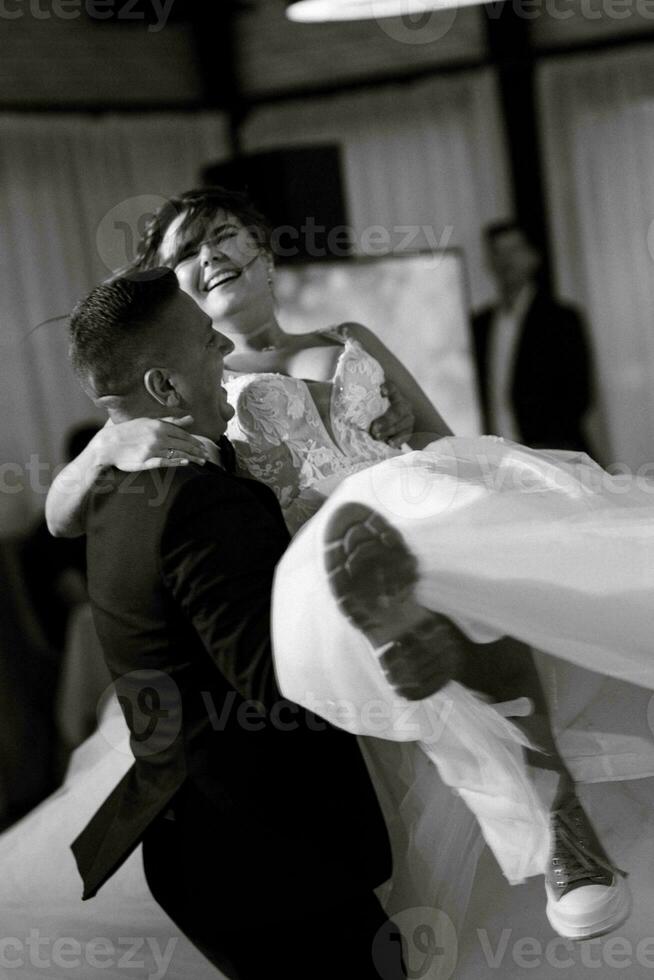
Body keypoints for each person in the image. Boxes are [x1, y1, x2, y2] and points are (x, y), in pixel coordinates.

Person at [42, 187, 634, 942]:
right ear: (173, 290)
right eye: (187, 252)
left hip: (414, 539)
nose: (211, 255)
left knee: (443, 513)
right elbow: (64, 515)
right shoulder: (192, 391)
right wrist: (107, 442)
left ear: (265, 252)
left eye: (224, 236)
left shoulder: (349, 336)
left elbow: (445, 444)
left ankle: (562, 826)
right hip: (320, 576)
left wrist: (399, 440)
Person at [66, 269, 410, 980]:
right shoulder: (203, 506)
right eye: (204, 338)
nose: (224, 342)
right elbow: (278, 684)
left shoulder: (116, 488)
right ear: (164, 388)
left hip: (202, 841)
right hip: (264, 859)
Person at [472, 221, 594, 453]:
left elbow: (579, 396)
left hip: (554, 455)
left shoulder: (562, 319)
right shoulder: (480, 325)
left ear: (533, 257)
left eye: (514, 250)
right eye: (497, 251)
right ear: (488, 261)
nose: (505, 260)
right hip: (497, 458)